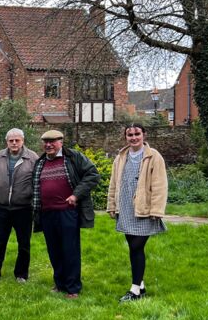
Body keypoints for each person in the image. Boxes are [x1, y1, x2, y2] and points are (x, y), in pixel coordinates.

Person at [32, 130, 99, 298]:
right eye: (46, 142)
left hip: (67, 212)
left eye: (52, 141)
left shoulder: (73, 157)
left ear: (61, 141)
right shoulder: (40, 162)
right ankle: (60, 283)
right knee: (54, 250)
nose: (48, 145)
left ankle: (73, 288)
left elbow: (92, 174)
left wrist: (76, 195)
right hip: (47, 213)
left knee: (70, 250)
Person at [106, 123, 168, 302]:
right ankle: (141, 286)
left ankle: (134, 290)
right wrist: (111, 205)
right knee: (133, 247)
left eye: (137, 134)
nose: (133, 138)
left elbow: (160, 185)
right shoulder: (121, 157)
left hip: (144, 209)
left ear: (144, 135)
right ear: (125, 137)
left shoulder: (153, 156)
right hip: (125, 207)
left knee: (136, 247)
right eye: (130, 134)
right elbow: (113, 183)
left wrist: (156, 209)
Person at [0, 128, 39, 282]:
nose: (14, 143)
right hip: (2, 207)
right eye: (11, 140)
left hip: (23, 208)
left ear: (23, 141)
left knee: (24, 244)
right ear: (7, 142)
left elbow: (36, 181)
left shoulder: (32, 158)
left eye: (17, 140)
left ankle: (21, 275)